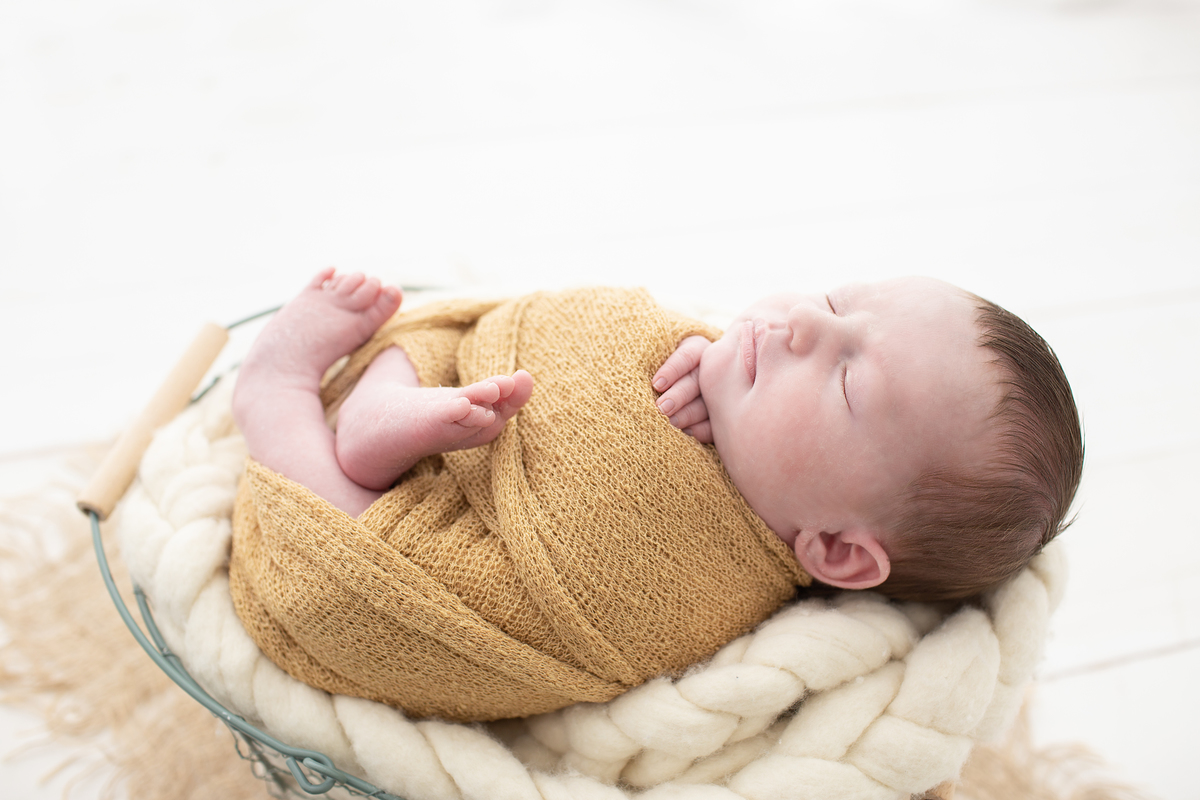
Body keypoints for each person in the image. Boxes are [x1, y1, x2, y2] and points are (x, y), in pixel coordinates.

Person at [227, 267, 1082, 720]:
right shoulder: (733, 386)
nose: (803, 323)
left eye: (848, 382)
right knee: (461, 353)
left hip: (408, 563)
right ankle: (384, 414)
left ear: (836, 551)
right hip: (468, 414)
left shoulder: (690, 583)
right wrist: (693, 364)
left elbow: (534, 603)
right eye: (837, 299)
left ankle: (277, 399)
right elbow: (583, 330)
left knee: (358, 580)